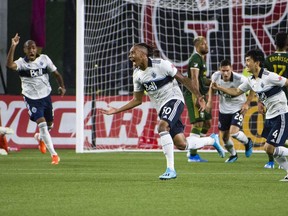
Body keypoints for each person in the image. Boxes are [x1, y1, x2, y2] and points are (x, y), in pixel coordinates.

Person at [100, 43, 225, 180]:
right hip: (162, 108)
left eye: (133, 53)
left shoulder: (162, 65)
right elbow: (137, 100)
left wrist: (199, 97)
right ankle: (211, 140)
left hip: (175, 100)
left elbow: (184, 79)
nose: (130, 56)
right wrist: (117, 110)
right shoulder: (137, 75)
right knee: (181, 144)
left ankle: (170, 169)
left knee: (162, 126)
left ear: (143, 54)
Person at [212, 49, 288, 181]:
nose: (246, 63)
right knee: (271, 149)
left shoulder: (270, 76)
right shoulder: (250, 80)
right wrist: (219, 87)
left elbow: (286, 82)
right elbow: (236, 91)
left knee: (269, 148)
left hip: (281, 114)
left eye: (248, 60)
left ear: (257, 62)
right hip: (270, 116)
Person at [6, 33, 66, 165]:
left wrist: (62, 86)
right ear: (25, 50)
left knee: (49, 126)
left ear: (36, 49)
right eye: (29, 48)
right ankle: (54, 155)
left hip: (46, 97)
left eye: (33, 48)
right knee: (43, 125)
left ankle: (39, 138)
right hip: (32, 99)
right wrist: (13, 45)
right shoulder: (21, 63)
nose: (31, 50)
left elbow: (56, 73)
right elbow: (9, 65)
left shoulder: (44, 59)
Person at [207, 59, 254, 162]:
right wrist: (210, 101)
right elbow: (211, 87)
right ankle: (233, 154)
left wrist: (247, 103)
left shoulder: (240, 78)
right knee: (224, 138)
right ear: (220, 70)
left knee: (234, 132)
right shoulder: (215, 76)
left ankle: (247, 142)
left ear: (231, 69)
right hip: (223, 109)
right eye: (223, 71)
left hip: (238, 107)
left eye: (227, 70)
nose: (225, 73)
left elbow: (252, 87)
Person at [262, 32, 288, 169]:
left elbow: (261, 82)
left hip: (271, 100)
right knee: (282, 131)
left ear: (275, 44)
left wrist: (260, 101)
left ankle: (271, 161)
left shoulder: (268, 59)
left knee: (273, 131)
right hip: (285, 99)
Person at [183, 36, 212, 162]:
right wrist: (198, 97)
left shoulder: (201, 59)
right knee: (198, 123)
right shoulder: (195, 58)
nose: (206, 46)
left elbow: (201, 79)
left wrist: (213, 82)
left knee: (207, 123)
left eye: (206, 44)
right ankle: (192, 154)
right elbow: (194, 79)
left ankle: (193, 147)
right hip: (194, 94)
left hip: (201, 94)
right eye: (203, 44)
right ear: (197, 46)